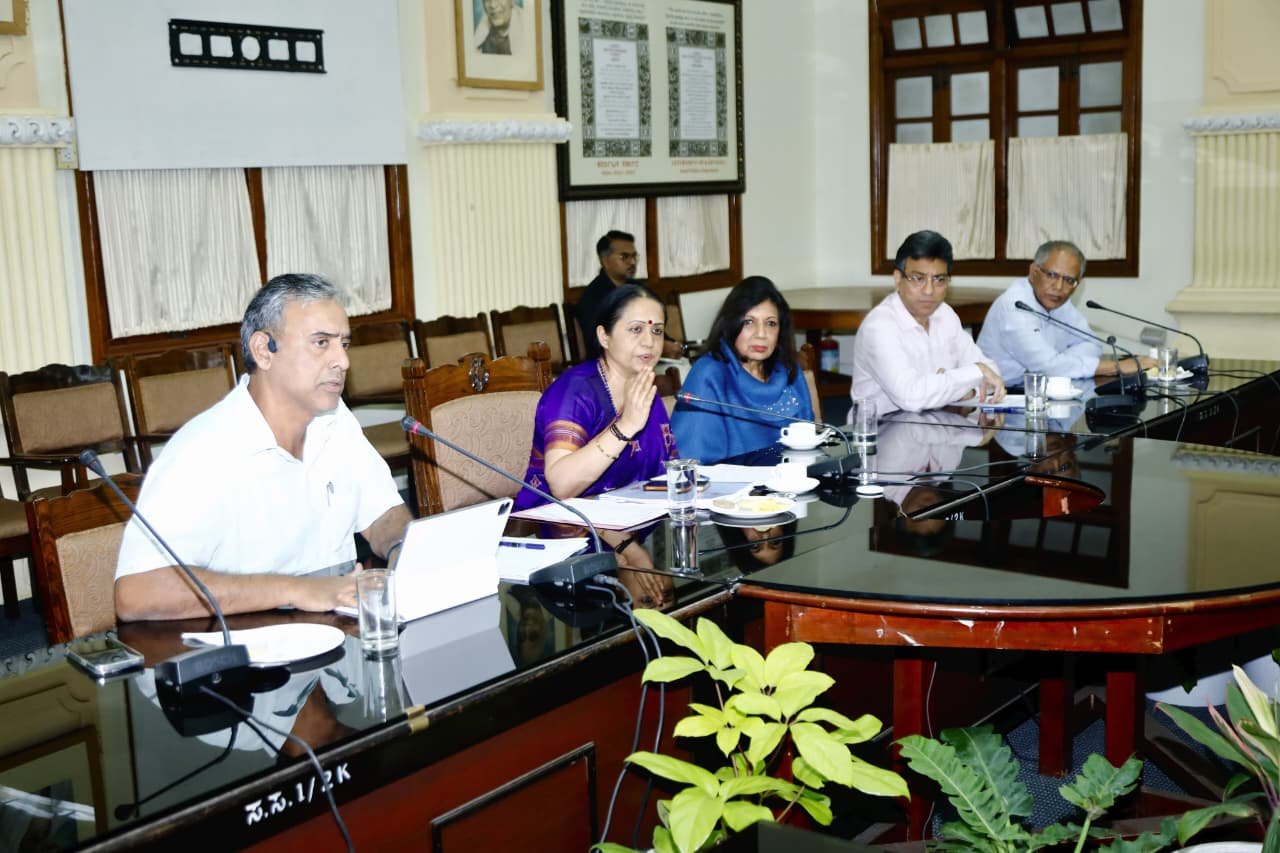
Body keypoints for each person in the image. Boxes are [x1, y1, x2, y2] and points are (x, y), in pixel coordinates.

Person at [114, 274, 412, 622]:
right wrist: (297, 590)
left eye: (343, 344)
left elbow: (384, 514)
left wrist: (401, 551)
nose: (342, 361)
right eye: (321, 343)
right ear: (263, 350)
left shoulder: (335, 421)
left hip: (334, 633)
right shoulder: (204, 451)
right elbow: (137, 592)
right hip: (247, 643)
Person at [515, 282, 678, 512]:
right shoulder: (574, 392)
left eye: (657, 331)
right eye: (636, 329)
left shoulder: (644, 388)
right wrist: (625, 426)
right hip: (561, 524)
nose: (649, 342)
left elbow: (665, 475)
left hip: (633, 519)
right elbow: (561, 486)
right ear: (604, 337)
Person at [851, 230, 1005, 415]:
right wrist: (973, 374)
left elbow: (992, 374)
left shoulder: (945, 314)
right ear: (898, 279)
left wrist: (958, 388)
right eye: (918, 279)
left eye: (939, 279)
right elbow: (911, 397)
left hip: (936, 423)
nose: (929, 291)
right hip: (882, 427)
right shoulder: (879, 326)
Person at [671, 276, 814, 464]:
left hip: (795, 479)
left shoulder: (788, 369)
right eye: (749, 322)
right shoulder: (709, 374)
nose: (761, 334)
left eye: (771, 323)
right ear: (731, 324)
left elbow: (811, 444)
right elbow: (692, 460)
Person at [977, 240, 1156, 382]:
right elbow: (1048, 367)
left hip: (1039, 390)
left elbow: (1092, 345)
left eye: (1069, 280)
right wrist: (1117, 367)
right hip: (1000, 396)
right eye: (1052, 275)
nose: (1059, 287)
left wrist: (1061, 363)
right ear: (1034, 272)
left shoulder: (1058, 302)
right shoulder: (1014, 306)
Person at [575, 230, 684, 360]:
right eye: (625, 257)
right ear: (605, 261)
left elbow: (654, 325)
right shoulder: (593, 296)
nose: (632, 262)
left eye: (634, 256)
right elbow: (598, 344)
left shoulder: (640, 289)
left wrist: (670, 345)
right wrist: (660, 347)